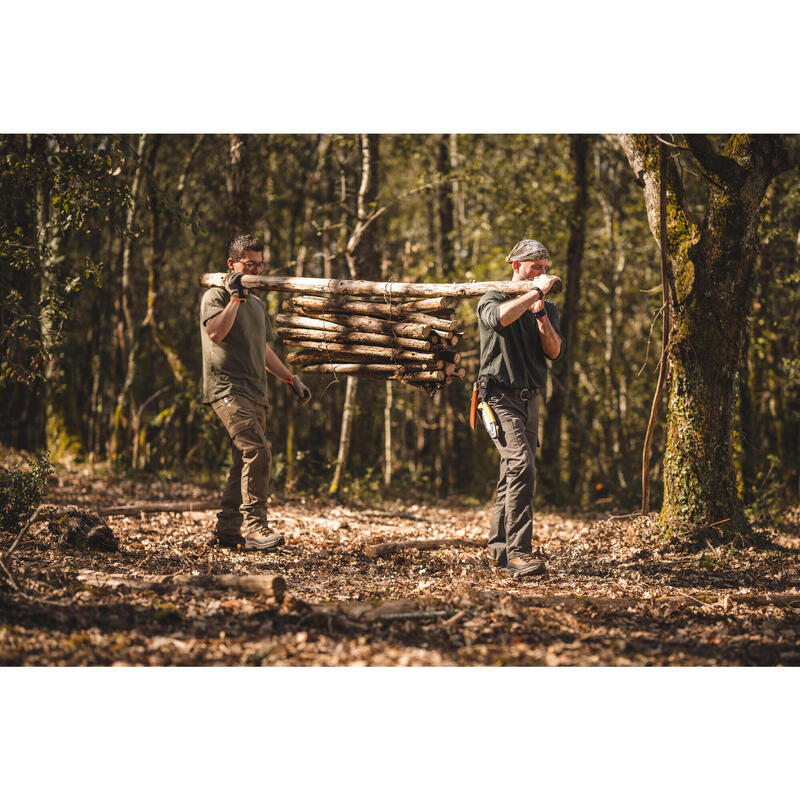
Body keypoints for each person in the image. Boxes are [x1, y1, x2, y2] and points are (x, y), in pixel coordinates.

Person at [200, 234, 311, 552]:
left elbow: (262, 350)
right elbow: (216, 333)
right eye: (250, 265)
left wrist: (290, 379)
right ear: (231, 264)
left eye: (260, 266)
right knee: (258, 452)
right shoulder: (215, 296)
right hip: (226, 389)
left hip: (255, 392)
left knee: (243, 460)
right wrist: (235, 298)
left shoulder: (259, 305)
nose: (256, 271)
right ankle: (254, 528)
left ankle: (227, 530)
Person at [475, 238, 566, 577]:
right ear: (517, 267)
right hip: (497, 397)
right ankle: (519, 554)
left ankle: (498, 551)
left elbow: (555, 351)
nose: (542, 274)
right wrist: (535, 294)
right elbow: (498, 320)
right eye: (535, 268)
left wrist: (541, 312)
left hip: (530, 401)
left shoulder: (545, 307)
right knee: (521, 464)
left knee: (512, 472)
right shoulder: (493, 298)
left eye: (545, 268)